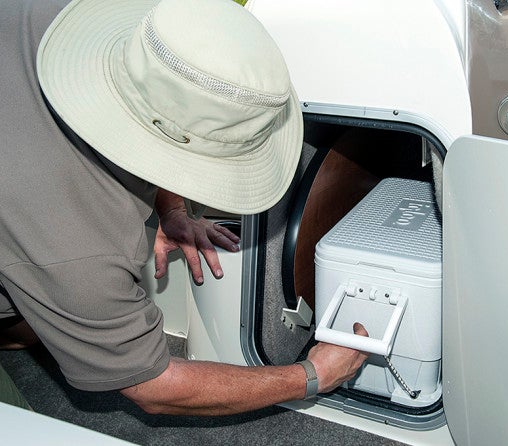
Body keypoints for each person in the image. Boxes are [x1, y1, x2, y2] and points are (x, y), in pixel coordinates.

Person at [0, 0, 369, 415]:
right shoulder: (78, 251)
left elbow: (149, 110)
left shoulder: (74, 17)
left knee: (46, 322)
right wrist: (311, 375)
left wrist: (171, 208)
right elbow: (152, 386)